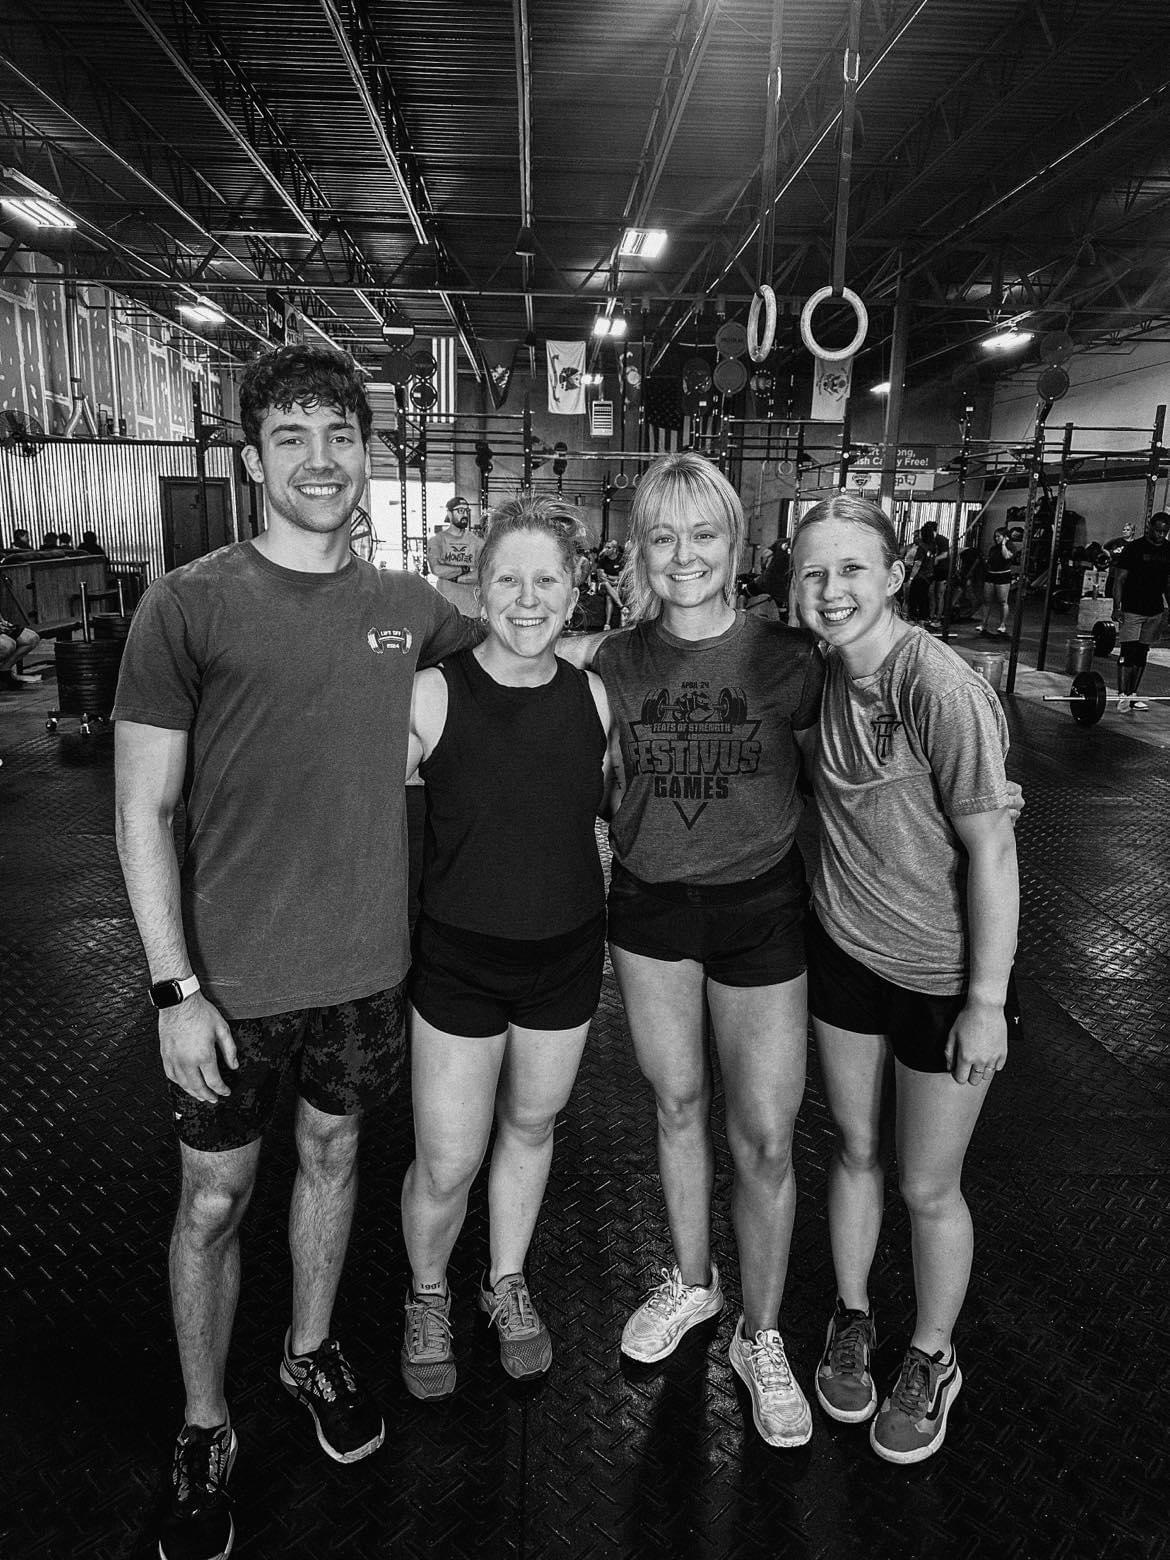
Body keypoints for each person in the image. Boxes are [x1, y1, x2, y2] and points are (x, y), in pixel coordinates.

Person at [112, 343, 482, 1560]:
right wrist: (174, 989)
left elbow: (527, 655)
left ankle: (309, 1351)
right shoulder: (189, 605)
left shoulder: (409, 608)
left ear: (367, 453)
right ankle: (204, 1420)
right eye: (292, 437)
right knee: (214, 1200)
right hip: (230, 983)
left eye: (339, 435)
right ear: (253, 457)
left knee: (332, 1157)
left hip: (366, 970)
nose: (320, 460)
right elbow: (140, 809)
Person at [593, 451, 824, 1449]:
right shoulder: (613, 661)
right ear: (640, 550)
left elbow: (853, 759)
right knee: (678, 1103)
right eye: (664, 536)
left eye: (704, 534)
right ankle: (694, 1283)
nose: (684, 555)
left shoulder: (790, 657)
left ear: (736, 545)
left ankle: (760, 1336)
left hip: (760, 908)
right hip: (649, 907)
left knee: (766, 1136)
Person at [791, 494, 1020, 1466]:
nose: (831, 589)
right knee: (853, 1149)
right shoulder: (819, 675)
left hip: (940, 977)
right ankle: (852, 1317)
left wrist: (985, 1004)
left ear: (894, 575)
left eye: (852, 568)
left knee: (928, 1185)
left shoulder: (938, 686)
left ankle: (931, 1355)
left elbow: (994, 851)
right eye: (813, 572)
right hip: (845, 956)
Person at [399, 496, 611, 1399]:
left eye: (547, 580)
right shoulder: (433, 692)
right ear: (478, 589)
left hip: (566, 959)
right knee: (448, 1160)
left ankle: (506, 1280)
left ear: (574, 591)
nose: (529, 599)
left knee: (530, 1127)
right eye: (509, 580)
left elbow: (618, 805)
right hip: (460, 964)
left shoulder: (593, 695)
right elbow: (346, 800)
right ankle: (428, 1293)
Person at [1112, 511, 1170, 712]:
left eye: (1165, 532)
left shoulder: (1168, 550)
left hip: (1154, 611)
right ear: (1150, 527)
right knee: (1128, 652)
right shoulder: (1134, 548)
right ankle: (1122, 695)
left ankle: (1133, 694)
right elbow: (1119, 579)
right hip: (1132, 609)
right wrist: (1116, 607)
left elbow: (1168, 583)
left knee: (1141, 653)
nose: (1161, 535)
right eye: (1158, 530)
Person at [426, 495, 482, 615]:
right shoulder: (436, 541)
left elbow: (481, 574)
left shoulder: (477, 543)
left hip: (471, 611)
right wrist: (465, 569)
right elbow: (437, 569)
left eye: (466, 511)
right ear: (449, 513)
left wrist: (455, 577)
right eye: (460, 510)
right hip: (446, 610)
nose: (465, 515)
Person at [980, 526, 1015, 635]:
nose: (996, 539)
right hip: (991, 575)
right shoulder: (993, 549)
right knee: (986, 601)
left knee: (1002, 601)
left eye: (999, 537)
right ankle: (983, 624)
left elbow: (1006, 556)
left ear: (1005, 537)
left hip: (1003, 576)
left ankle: (1002, 625)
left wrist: (1004, 544)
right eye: (995, 537)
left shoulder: (1011, 547)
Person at [595, 538, 625, 628]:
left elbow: (621, 577)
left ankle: (607, 624)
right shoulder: (602, 560)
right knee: (606, 584)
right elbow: (601, 578)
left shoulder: (621, 559)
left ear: (614, 549)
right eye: (605, 547)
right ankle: (622, 607)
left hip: (615, 586)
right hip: (603, 586)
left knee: (609, 596)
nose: (605, 549)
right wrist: (613, 581)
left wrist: (607, 576)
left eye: (608, 548)